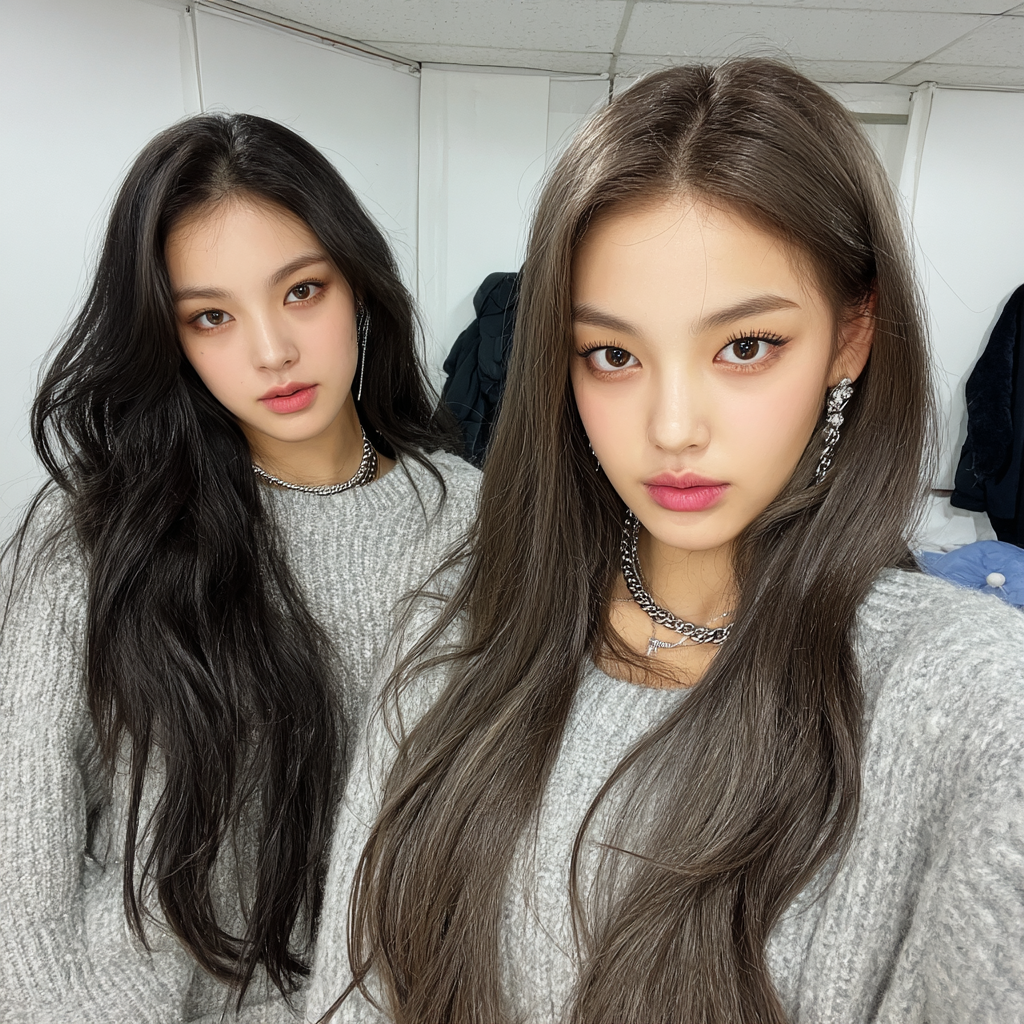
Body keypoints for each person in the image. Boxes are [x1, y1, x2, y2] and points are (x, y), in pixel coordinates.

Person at [307, 59, 1024, 1024]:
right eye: (614, 355)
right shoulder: (457, 633)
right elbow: (353, 988)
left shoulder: (971, 701)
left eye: (745, 348)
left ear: (852, 336)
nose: (673, 427)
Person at [0, 113, 478, 1023]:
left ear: (360, 287)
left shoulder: (475, 525)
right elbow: (18, 887)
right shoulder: (97, 537)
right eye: (212, 317)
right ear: (170, 336)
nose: (271, 351)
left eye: (302, 291)